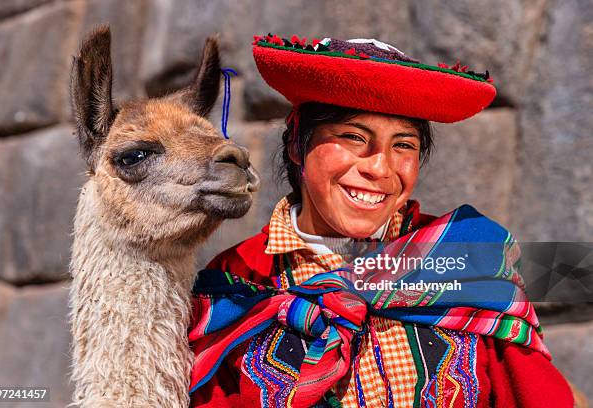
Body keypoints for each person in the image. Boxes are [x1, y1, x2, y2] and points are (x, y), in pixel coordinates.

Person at [187, 35, 575, 407]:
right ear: (296, 145)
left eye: (403, 145)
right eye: (354, 137)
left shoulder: (470, 258)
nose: (379, 167)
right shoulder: (238, 281)